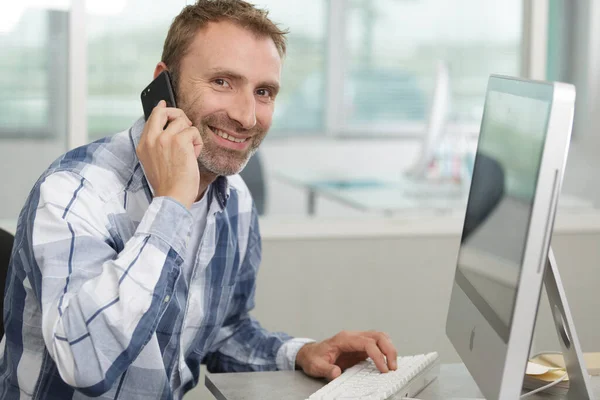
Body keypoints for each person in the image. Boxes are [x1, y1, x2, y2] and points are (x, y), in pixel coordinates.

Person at [0, 1, 398, 398]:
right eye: (223, 82)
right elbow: (85, 361)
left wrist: (303, 353)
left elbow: (223, 331)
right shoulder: (73, 190)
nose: (247, 117)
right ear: (164, 85)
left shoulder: (235, 199)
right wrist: (171, 205)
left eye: (263, 92)